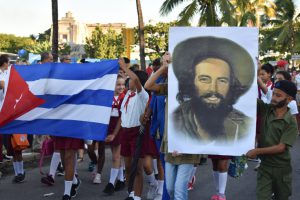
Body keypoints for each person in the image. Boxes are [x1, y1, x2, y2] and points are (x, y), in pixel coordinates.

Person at [171, 36, 255, 143]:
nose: (213, 89)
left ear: (231, 86)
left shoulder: (244, 126)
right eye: (204, 79)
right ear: (191, 82)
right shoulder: (175, 122)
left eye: (222, 80)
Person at [145, 52, 201, 200]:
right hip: (170, 146)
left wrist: (185, 146)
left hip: (189, 148)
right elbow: (148, 85)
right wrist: (163, 68)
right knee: (170, 188)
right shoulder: (169, 88)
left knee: (179, 190)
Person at [246, 80, 298, 200]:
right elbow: (247, 99)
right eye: (273, 93)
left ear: (289, 99)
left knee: (282, 197)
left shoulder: (291, 122)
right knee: (262, 197)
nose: (273, 98)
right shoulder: (266, 109)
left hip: (282, 169)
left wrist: (257, 151)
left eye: (278, 95)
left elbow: (281, 147)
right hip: (264, 167)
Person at [118, 58, 149, 200]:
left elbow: (135, 79)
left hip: (136, 133)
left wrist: (125, 67)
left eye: (129, 79)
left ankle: (137, 196)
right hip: (125, 132)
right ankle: (130, 191)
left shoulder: (142, 95)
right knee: (128, 165)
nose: (128, 80)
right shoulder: (127, 96)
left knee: (137, 167)